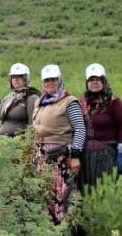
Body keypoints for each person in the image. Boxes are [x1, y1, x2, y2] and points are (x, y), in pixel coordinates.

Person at [31, 64, 86, 224]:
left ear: (60, 80)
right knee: (45, 192)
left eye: (53, 79)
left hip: (61, 154)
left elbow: (80, 129)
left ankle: (66, 230)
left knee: (63, 194)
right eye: (47, 80)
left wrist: (75, 156)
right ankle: (48, 228)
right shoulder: (40, 102)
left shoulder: (69, 102)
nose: (50, 83)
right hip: (42, 155)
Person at [80, 63, 122, 186]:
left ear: (104, 81)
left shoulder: (113, 102)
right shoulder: (82, 103)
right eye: (91, 80)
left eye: (98, 79)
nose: (94, 83)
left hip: (107, 152)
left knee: (104, 187)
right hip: (85, 154)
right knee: (86, 189)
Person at [0, 63, 40, 136]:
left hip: (21, 142)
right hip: (3, 141)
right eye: (13, 76)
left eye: (20, 76)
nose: (16, 79)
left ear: (26, 79)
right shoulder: (7, 98)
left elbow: (33, 125)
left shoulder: (31, 97)